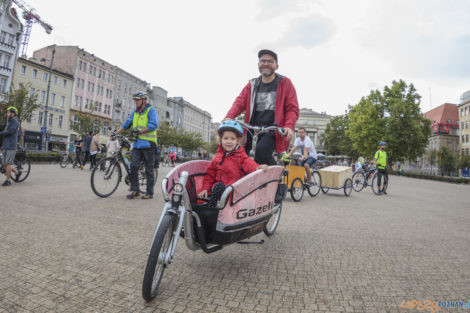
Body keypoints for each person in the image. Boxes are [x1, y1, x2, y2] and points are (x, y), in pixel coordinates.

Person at [224, 49, 299, 165]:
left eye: (270, 61)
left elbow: (292, 108)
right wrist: (229, 117)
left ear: (276, 66)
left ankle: (278, 179)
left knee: (261, 152)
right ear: (258, 64)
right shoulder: (252, 85)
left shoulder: (285, 83)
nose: (266, 63)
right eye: (263, 61)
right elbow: (239, 103)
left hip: (272, 130)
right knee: (245, 159)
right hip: (252, 129)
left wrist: (289, 126)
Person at [197, 120, 268, 208]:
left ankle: (212, 211)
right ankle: (210, 209)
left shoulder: (240, 155)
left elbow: (249, 164)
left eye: (232, 139)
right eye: (226, 138)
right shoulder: (217, 156)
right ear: (221, 140)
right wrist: (205, 189)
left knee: (219, 187)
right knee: (208, 192)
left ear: (238, 140)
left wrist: (258, 167)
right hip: (216, 191)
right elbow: (210, 175)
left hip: (233, 191)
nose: (229, 141)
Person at [116, 91, 158, 199]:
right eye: (135, 100)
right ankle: (135, 190)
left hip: (149, 144)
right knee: (133, 166)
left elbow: (153, 125)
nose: (136, 102)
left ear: (144, 100)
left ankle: (149, 192)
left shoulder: (150, 110)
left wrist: (140, 132)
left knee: (149, 169)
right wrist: (115, 133)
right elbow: (126, 124)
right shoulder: (135, 112)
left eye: (138, 100)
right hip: (137, 145)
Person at [0, 107, 20, 186]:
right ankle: (17, 172)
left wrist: (1, 133)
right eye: (7, 112)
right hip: (6, 145)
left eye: (8, 112)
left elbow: (10, 132)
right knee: (4, 164)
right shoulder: (9, 122)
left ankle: (8, 181)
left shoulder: (15, 122)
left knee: (8, 163)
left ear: (13, 113)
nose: (7, 114)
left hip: (11, 146)